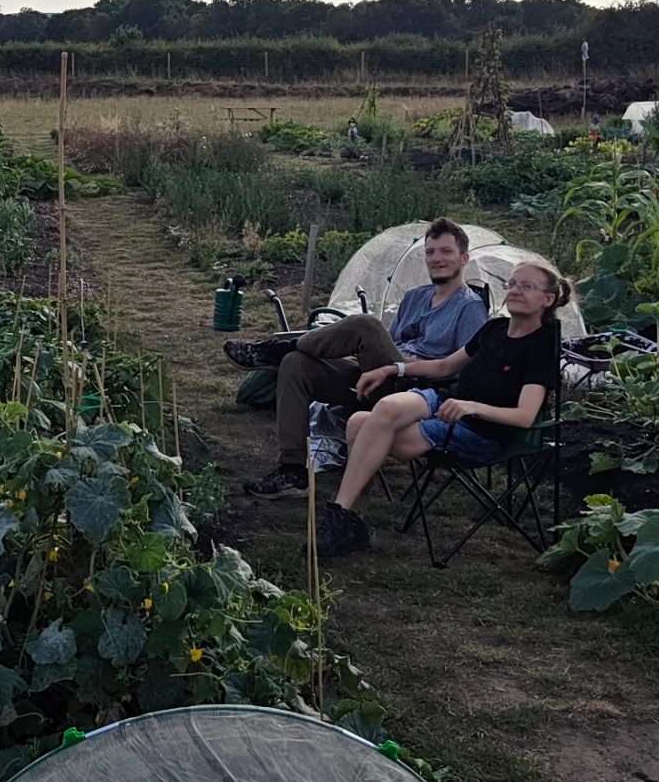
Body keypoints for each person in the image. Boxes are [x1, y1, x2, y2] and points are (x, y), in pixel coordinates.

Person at [314, 258, 572, 558]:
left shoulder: (541, 347)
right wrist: (391, 370)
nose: (515, 290)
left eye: (526, 286)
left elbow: (525, 416)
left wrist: (472, 407)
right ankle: (348, 519)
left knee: (362, 425)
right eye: (511, 284)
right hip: (445, 401)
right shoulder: (495, 329)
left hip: (480, 432)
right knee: (372, 414)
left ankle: (342, 518)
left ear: (548, 299)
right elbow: (445, 366)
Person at [230, 218, 489, 500]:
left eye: (446, 252)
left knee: (367, 325)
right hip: (379, 377)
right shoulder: (415, 297)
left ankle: (275, 349)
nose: (437, 259)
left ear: (464, 258)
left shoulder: (469, 308)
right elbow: (391, 343)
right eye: (430, 252)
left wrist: (400, 364)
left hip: (416, 392)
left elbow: (464, 369)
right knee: (296, 364)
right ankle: (293, 471)